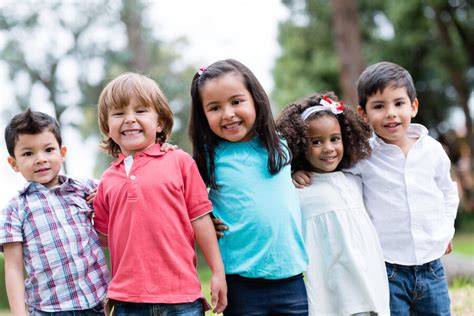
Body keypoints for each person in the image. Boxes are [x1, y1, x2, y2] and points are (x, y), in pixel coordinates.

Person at [294, 62, 459, 315]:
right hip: (387, 268)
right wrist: (298, 171)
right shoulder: (363, 155)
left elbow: (448, 191)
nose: (390, 113)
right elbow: (331, 170)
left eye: (399, 103)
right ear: (363, 113)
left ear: (413, 106)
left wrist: (447, 229)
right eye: (379, 106)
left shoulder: (432, 150)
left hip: (431, 266)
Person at [93, 72, 227, 315]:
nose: (130, 119)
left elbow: (200, 220)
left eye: (141, 111)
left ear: (160, 122)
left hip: (182, 297)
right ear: (107, 126)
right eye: (119, 113)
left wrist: (218, 272)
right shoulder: (107, 181)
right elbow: (103, 237)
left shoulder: (180, 162)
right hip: (127, 301)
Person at [189, 59, 309, 316]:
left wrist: (299, 173)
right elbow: (187, 201)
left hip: (290, 278)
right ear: (203, 115)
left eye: (236, 101)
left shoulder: (282, 145)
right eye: (214, 108)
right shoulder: (209, 158)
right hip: (239, 282)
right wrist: (207, 217)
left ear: (256, 99)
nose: (228, 114)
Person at [277, 92, 390, 315]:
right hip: (334, 294)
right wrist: (291, 176)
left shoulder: (355, 180)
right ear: (300, 145)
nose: (328, 148)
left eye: (335, 139)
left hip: (371, 285)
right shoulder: (298, 189)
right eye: (316, 142)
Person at [0, 109, 109, 315]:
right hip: (49, 309)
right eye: (28, 153)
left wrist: (105, 198)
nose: (40, 159)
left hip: (97, 303)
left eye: (48, 149)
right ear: (13, 163)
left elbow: (124, 193)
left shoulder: (85, 189)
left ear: (62, 152)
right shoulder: (15, 209)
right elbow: (13, 268)